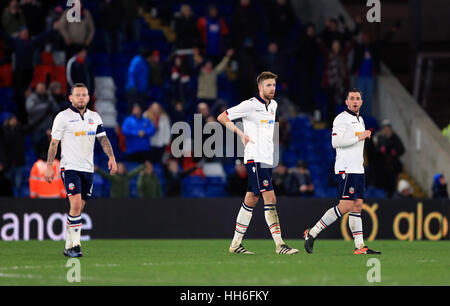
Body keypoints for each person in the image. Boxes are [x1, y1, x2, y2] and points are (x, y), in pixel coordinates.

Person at [217, 71, 298, 255]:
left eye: (274, 85)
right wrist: (240, 133)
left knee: (251, 199)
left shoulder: (274, 105)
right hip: (255, 158)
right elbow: (222, 117)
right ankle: (280, 244)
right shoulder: (249, 105)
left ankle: (235, 244)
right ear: (260, 88)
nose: (272, 88)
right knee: (270, 198)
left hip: (266, 159)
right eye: (268, 85)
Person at [303, 88, 381, 255]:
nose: (354, 101)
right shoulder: (341, 119)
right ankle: (312, 232)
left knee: (357, 206)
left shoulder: (360, 120)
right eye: (351, 98)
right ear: (346, 101)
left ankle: (360, 247)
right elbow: (335, 142)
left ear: (361, 102)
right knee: (345, 205)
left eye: (357, 98)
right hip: (346, 168)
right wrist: (359, 137)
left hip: (358, 169)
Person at [44, 83, 117, 258]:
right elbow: (54, 143)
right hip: (69, 166)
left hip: (88, 168)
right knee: (75, 205)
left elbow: (103, 139)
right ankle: (76, 246)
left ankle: (68, 245)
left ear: (88, 97)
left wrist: (111, 157)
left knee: (79, 208)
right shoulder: (62, 117)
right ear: (71, 98)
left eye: (84, 95)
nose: (81, 98)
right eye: (77, 95)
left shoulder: (95, 117)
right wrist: (49, 166)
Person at [372, 119, 405, 197]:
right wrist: (380, 150)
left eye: (388, 128)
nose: (386, 130)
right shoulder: (378, 137)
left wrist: (395, 152)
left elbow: (402, 149)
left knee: (392, 185)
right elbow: (373, 150)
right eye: (385, 128)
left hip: (392, 167)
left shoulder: (395, 138)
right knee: (381, 186)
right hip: (381, 167)